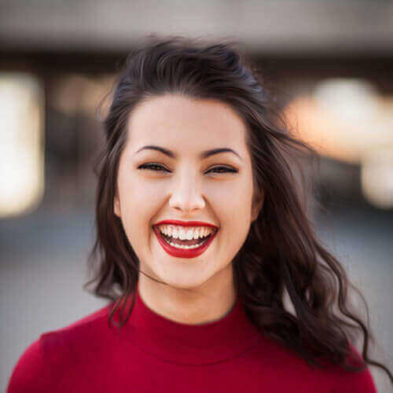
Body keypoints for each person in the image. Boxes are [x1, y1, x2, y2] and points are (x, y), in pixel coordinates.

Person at [7, 36, 392, 393]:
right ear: (116, 195)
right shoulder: (50, 373)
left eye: (220, 168)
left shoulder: (333, 378)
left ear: (257, 199)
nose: (187, 200)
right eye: (155, 166)